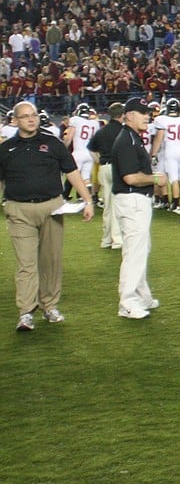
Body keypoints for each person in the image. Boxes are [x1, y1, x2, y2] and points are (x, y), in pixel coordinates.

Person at [0, 101, 94, 331]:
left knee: (51, 261)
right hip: (19, 209)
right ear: (16, 120)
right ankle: (26, 312)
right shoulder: (5, 148)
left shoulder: (52, 143)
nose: (31, 119)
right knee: (26, 264)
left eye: (33, 115)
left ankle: (49, 306)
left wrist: (88, 200)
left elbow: (71, 171)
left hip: (52, 207)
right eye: (25, 116)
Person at [110, 98, 166, 320]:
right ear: (129, 115)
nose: (147, 116)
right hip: (132, 199)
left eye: (148, 113)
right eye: (142, 112)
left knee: (141, 249)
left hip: (135, 200)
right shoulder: (126, 140)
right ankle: (128, 302)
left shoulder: (132, 137)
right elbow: (130, 177)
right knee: (135, 252)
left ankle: (142, 296)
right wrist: (155, 178)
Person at [88, 102, 125, 249]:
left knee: (108, 205)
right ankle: (117, 239)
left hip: (104, 167)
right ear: (122, 115)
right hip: (117, 168)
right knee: (117, 204)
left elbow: (91, 149)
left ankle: (106, 239)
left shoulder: (101, 131)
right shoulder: (123, 131)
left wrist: (100, 161)